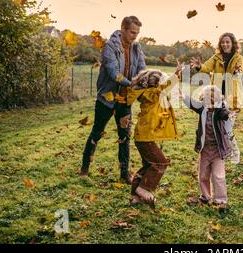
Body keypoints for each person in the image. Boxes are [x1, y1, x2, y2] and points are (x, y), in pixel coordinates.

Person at [79, 16, 146, 184]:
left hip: (125, 100)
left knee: (125, 136)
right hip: (107, 98)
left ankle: (124, 174)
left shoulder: (137, 48)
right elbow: (113, 72)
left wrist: (144, 81)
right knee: (97, 132)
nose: (134, 36)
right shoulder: (110, 46)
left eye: (137, 33)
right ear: (122, 29)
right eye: (132, 32)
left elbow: (142, 69)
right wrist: (132, 84)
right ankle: (84, 169)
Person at [127, 61, 185, 208]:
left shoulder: (150, 96)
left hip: (143, 137)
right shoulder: (153, 94)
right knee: (161, 163)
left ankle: (135, 195)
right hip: (145, 138)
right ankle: (144, 189)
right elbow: (164, 88)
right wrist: (176, 74)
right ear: (156, 85)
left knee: (148, 165)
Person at [189, 32, 243, 164]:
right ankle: (224, 152)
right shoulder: (216, 57)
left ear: (232, 44)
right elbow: (206, 67)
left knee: (227, 128)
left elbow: (239, 72)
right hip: (216, 98)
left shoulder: (239, 58)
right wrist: (199, 66)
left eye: (228, 42)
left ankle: (235, 152)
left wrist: (236, 72)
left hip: (231, 98)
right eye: (223, 42)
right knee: (219, 129)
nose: (225, 44)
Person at [181, 85, 234, 207]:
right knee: (203, 174)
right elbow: (193, 103)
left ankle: (220, 200)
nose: (209, 105)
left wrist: (228, 115)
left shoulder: (219, 110)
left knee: (218, 176)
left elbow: (224, 113)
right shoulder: (203, 109)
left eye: (212, 102)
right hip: (205, 149)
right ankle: (205, 196)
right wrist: (183, 96)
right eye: (206, 101)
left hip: (217, 150)